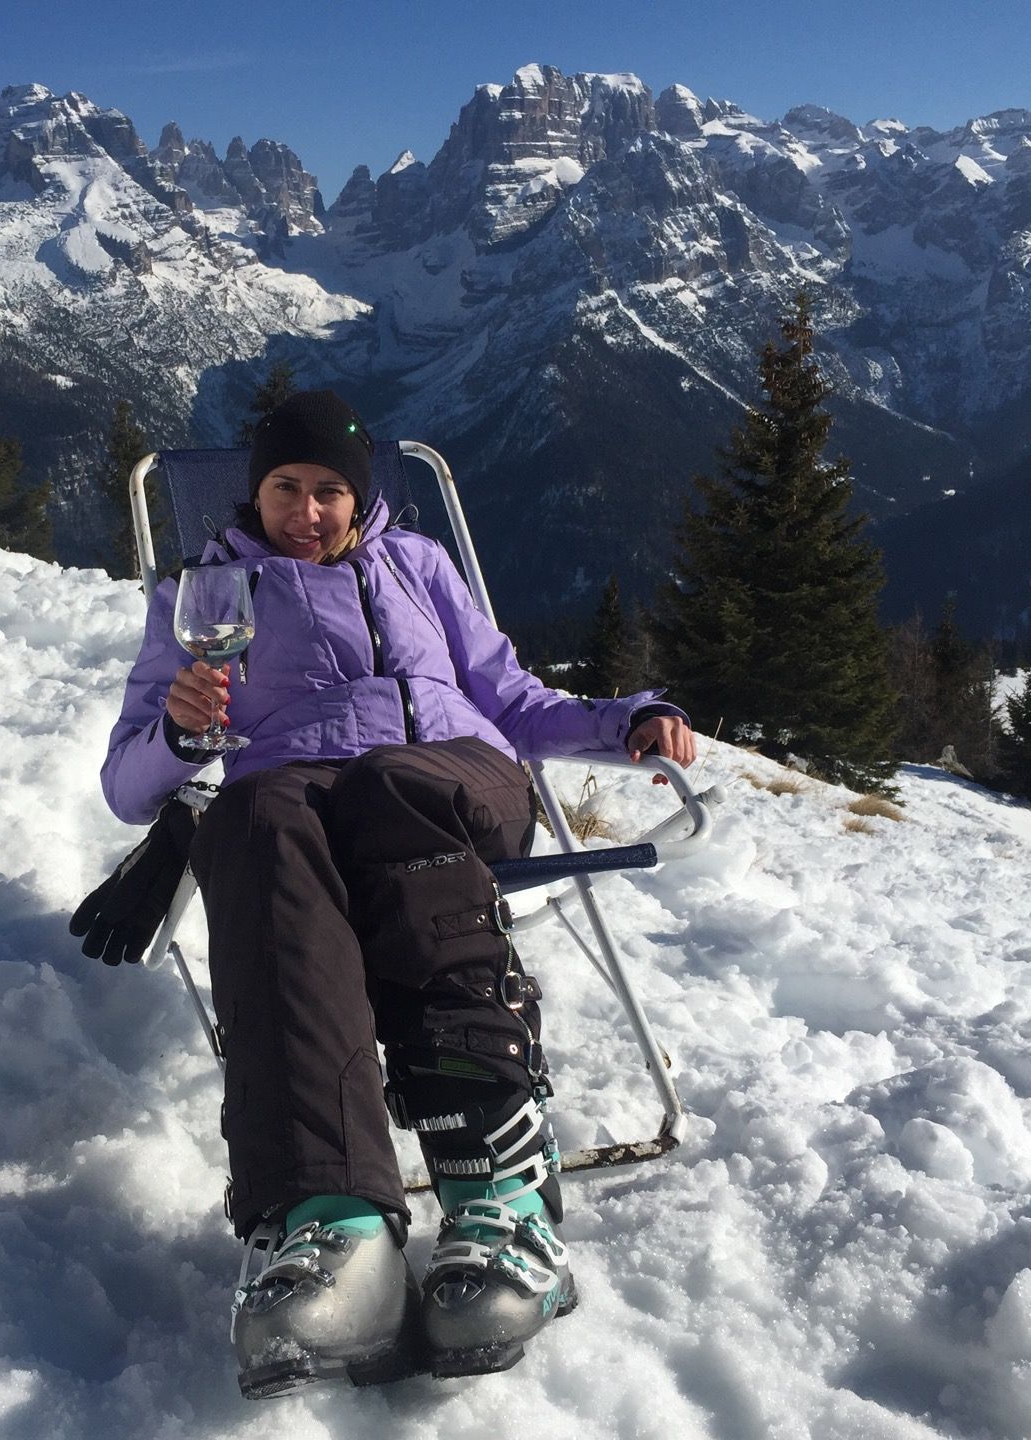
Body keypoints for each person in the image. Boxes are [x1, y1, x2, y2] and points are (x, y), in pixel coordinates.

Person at [99, 390, 695, 1397]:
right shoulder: (204, 591)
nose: (310, 510)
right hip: (298, 801)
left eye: (331, 490)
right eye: (287, 487)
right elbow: (125, 786)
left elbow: (510, 696)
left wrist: (629, 717)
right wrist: (183, 732)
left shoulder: (418, 566)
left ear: (359, 496)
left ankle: (503, 1196)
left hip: (452, 777)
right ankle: (330, 1222)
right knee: (250, 824)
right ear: (256, 492)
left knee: (387, 788)